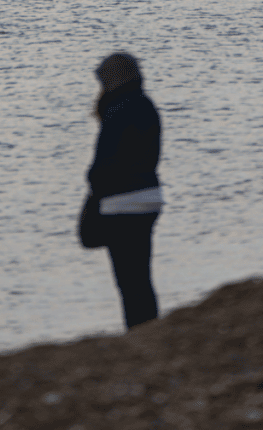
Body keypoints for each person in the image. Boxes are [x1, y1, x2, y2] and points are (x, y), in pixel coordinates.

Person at [87, 52, 162, 329]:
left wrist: (93, 185)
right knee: (142, 275)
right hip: (150, 199)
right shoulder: (147, 105)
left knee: (128, 281)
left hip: (120, 204)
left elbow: (102, 166)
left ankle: (139, 332)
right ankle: (151, 329)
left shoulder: (115, 110)